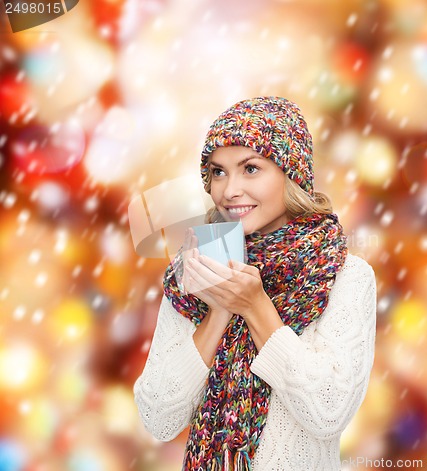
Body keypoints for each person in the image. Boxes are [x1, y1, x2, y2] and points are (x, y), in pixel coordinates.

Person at [134, 96, 377, 470]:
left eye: (250, 168)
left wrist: (254, 306)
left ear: (291, 173)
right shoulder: (194, 270)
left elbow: (328, 413)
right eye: (218, 172)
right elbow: (158, 418)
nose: (229, 190)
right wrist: (217, 312)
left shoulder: (344, 274)